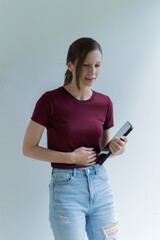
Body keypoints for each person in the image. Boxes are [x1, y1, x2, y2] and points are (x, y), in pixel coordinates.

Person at [23, 37, 127, 240]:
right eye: (86, 65)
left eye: (97, 66)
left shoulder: (105, 103)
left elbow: (102, 150)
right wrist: (71, 158)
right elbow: (29, 148)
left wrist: (116, 149)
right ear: (70, 65)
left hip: (100, 185)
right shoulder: (50, 101)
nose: (93, 72)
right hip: (66, 188)